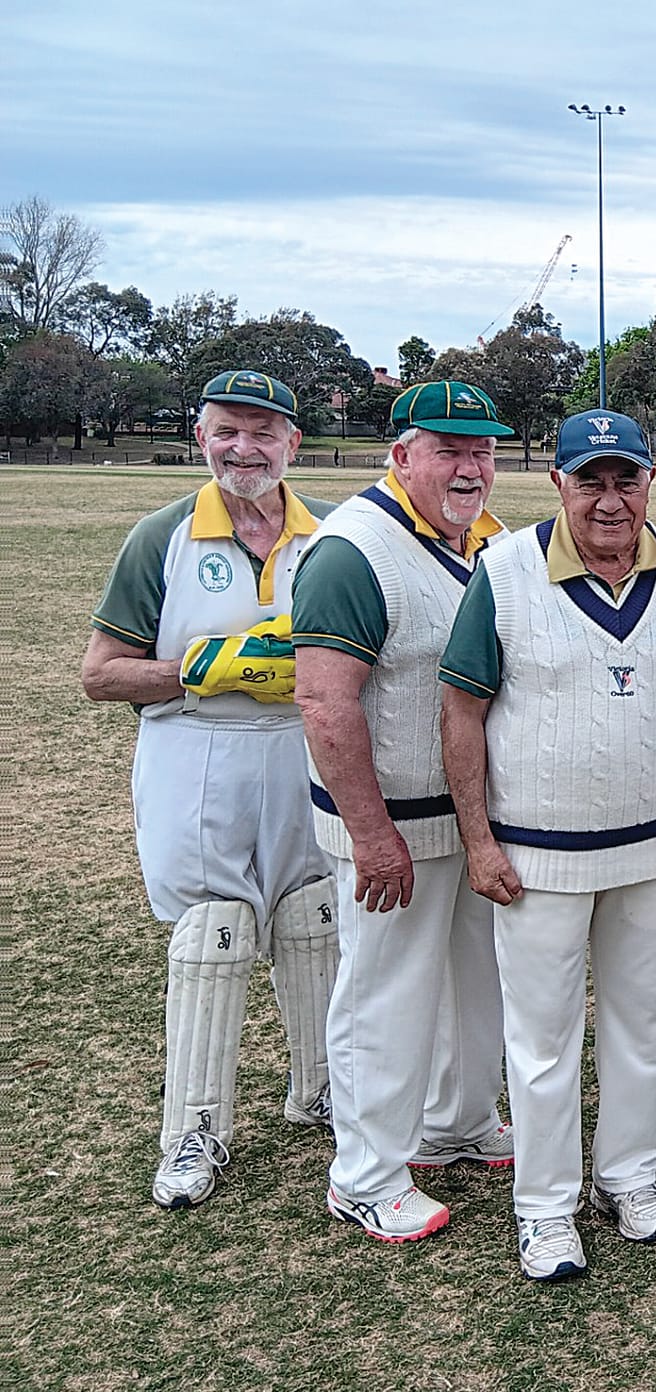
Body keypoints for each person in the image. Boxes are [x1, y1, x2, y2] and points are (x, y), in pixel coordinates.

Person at [438, 408, 656, 1281]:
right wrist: (478, 840)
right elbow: (461, 711)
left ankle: (629, 1175)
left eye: (625, 479)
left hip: (652, 849)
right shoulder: (507, 570)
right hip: (536, 856)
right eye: (588, 480)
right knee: (545, 1038)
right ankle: (545, 1205)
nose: (609, 499)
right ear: (557, 482)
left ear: (650, 482)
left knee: (642, 1023)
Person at [82, 369, 338, 1209]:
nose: (245, 448)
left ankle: (323, 1092)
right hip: (196, 752)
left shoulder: (330, 539)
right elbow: (100, 676)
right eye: (228, 430)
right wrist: (196, 671)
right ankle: (195, 1130)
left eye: (264, 433)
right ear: (202, 437)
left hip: (302, 749)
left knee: (313, 912)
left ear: (293, 443)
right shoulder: (162, 537)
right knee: (214, 929)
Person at [293, 379, 514, 1243]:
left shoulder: (477, 539)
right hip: (392, 825)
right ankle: (365, 1176)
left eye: (483, 449)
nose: (470, 467)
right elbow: (324, 702)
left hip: (464, 820)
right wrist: (370, 831)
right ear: (401, 455)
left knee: (472, 984)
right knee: (384, 995)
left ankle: (454, 1125)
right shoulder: (353, 549)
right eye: (449, 449)